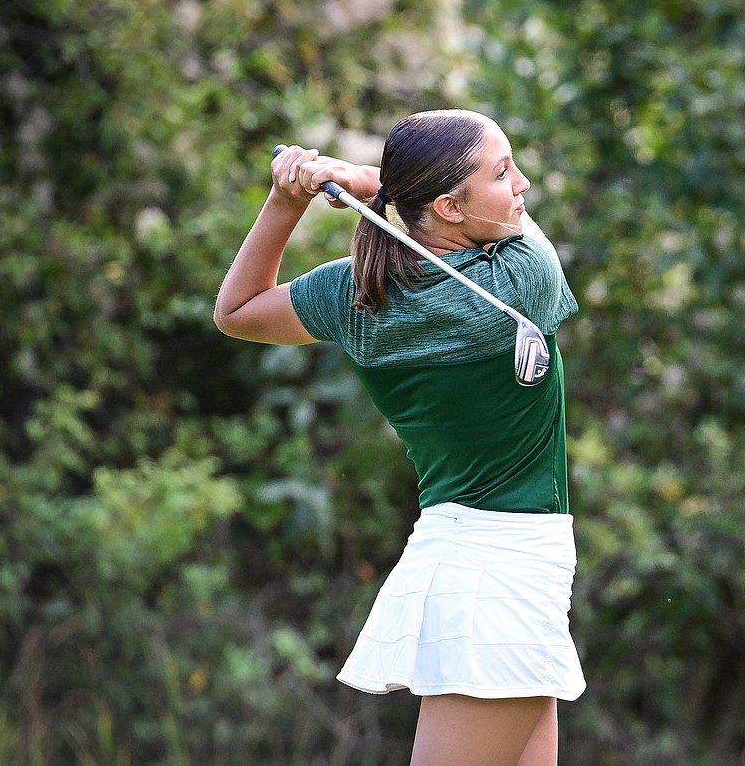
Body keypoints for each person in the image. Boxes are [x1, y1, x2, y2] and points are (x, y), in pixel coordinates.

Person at [214, 109, 584, 766]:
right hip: (497, 576)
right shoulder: (520, 278)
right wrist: (366, 182)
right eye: (503, 172)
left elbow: (237, 311)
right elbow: (515, 230)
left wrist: (284, 200)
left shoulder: (356, 294)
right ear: (446, 205)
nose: (523, 183)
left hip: (482, 563)